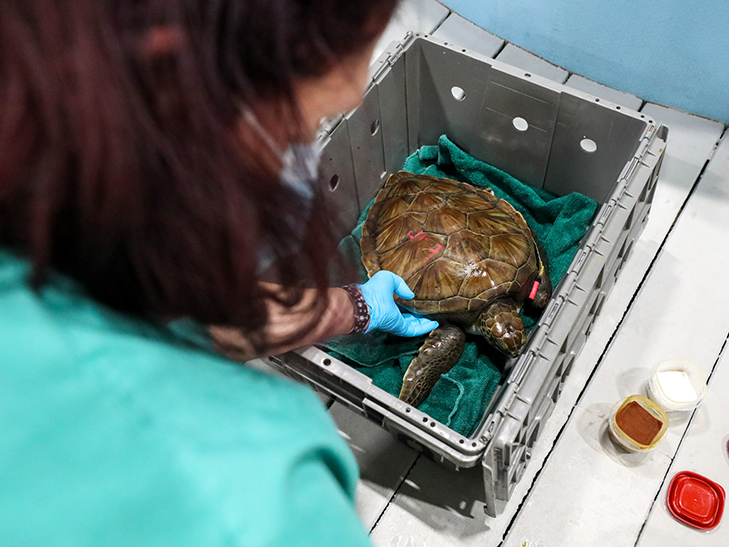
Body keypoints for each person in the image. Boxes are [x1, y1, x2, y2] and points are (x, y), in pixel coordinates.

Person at [0, 1, 438, 545]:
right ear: (176, 77)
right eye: (312, 121)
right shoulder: (258, 499)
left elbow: (169, 313)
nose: (305, 149)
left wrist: (359, 306)